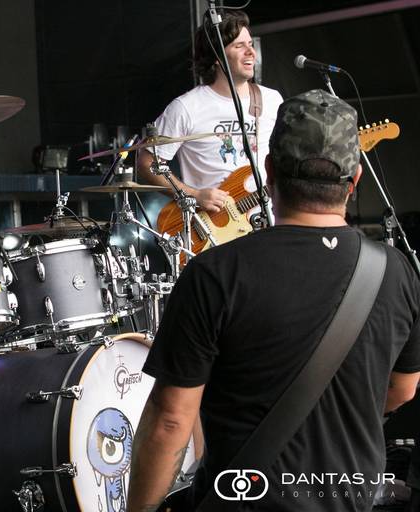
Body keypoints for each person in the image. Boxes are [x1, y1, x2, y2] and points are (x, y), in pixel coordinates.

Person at [127, 90, 420, 511]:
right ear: (355, 180)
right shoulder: (395, 271)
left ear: (268, 172)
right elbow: (403, 388)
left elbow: (171, 421)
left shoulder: (214, 274)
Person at [138, 9, 284, 214]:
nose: (251, 52)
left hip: (267, 221)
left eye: (250, 44)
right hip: (214, 225)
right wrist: (193, 195)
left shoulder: (272, 100)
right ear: (217, 57)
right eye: (239, 46)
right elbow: (147, 163)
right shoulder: (186, 107)